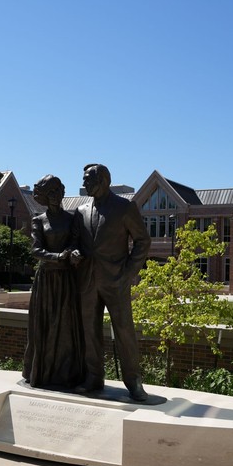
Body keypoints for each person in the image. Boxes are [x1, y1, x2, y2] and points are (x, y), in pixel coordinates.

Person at [70, 163, 151, 401]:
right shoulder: (81, 210)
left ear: (103, 180)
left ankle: (133, 381)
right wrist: (74, 251)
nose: (84, 183)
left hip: (116, 280)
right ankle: (94, 378)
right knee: (90, 331)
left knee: (124, 331)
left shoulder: (125, 207)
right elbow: (76, 241)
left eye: (88, 179)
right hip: (88, 281)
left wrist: (127, 274)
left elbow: (142, 242)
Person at [22, 175, 85, 389]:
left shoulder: (72, 218)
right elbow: (36, 250)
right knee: (44, 326)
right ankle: (41, 373)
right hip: (47, 279)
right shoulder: (38, 220)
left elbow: (76, 243)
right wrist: (58, 257)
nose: (55, 196)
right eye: (50, 192)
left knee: (66, 326)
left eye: (58, 191)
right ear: (43, 197)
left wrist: (75, 253)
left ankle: (65, 374)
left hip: (66, 280)